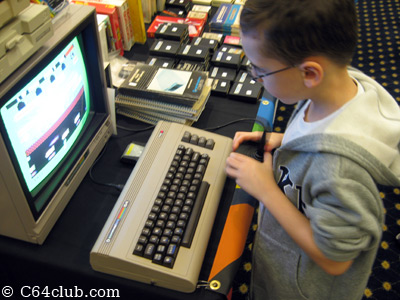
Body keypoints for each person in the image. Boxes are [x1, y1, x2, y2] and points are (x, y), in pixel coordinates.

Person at [225, 0, 400, 299]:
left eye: (260, 69)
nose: (254, 76)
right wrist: (289, 140)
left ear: (309, 73)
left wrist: (267, 190)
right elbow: (322, 131)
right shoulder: (339, 89)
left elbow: (334, 259)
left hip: (301, 287)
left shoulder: (339, 170)